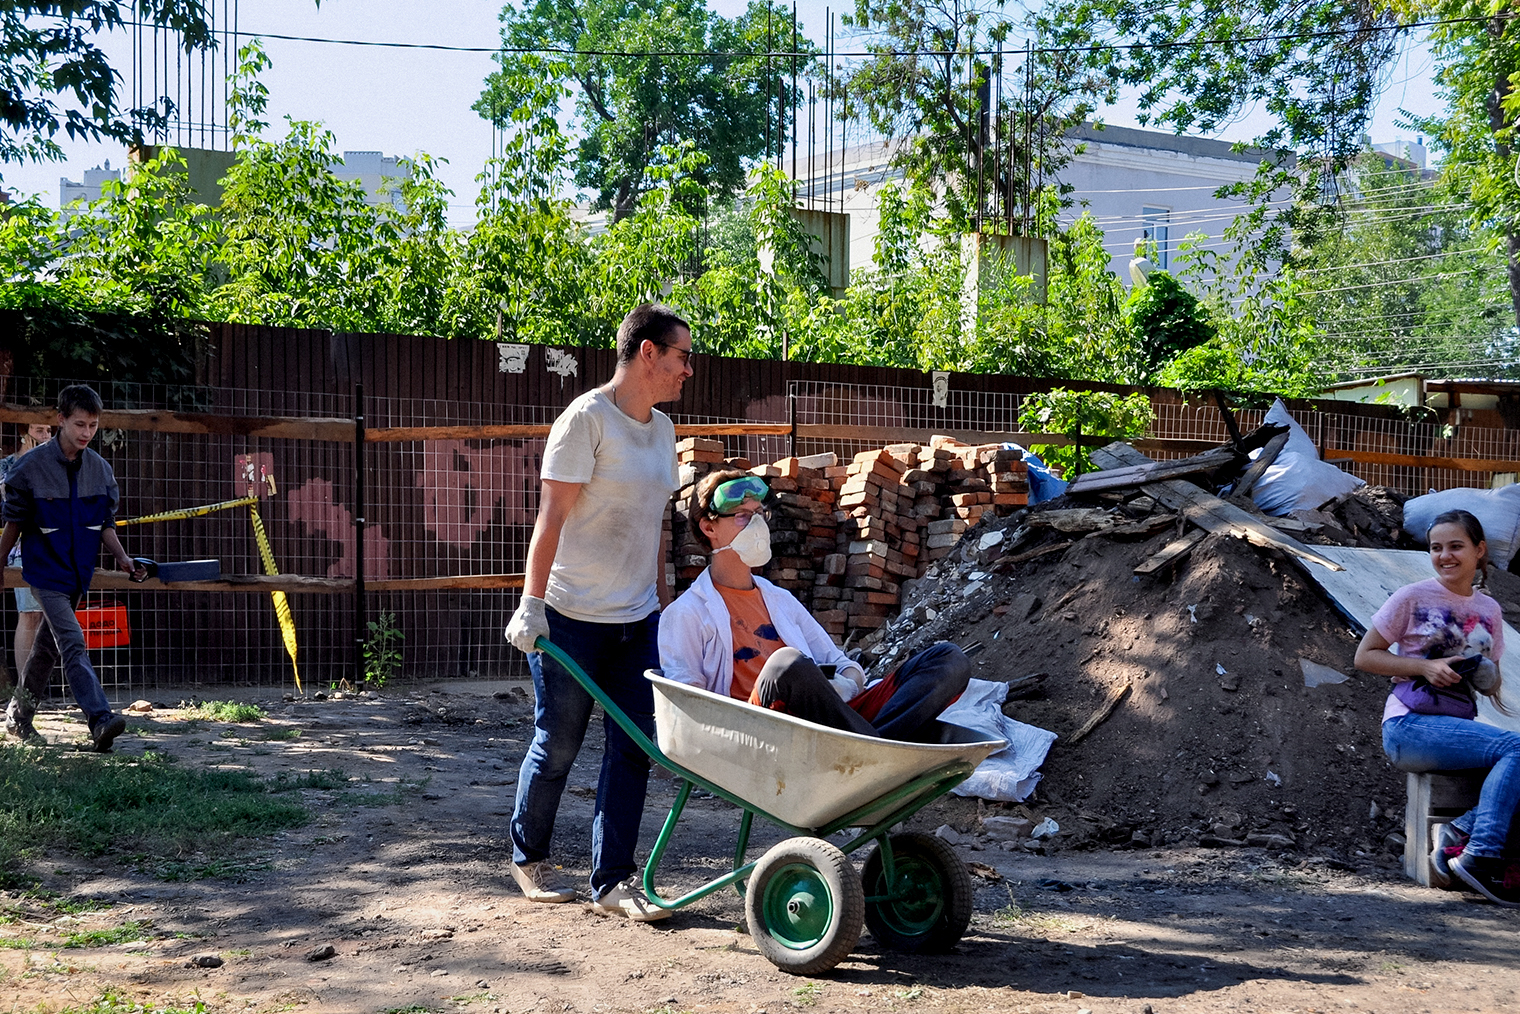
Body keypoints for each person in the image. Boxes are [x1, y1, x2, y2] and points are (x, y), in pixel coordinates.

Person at [502, 304, 693, 921]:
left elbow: (657, 528)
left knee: (634, 745)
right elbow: (550, 518)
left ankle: (613, 882)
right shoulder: (586, 419)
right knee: (558, 743)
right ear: (647, 353)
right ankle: (529, 859)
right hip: (572, 616)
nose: (688, 369)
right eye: (682, 356)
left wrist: (661, 605)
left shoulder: (662, 431)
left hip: (635, 620)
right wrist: (532, 604)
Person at [659, 470, 970, 741]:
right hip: (761, 733)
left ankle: (868, 748)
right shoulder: (686, 614)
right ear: (709, 528)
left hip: (830, 722)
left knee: (947, 660)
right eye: (742, 515)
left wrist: (845, 687)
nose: (756, 525)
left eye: (759, 514)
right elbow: (690, 707)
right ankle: (872, 748)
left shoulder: (779, 600)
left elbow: (843, 664)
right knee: (787, 665)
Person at [1355, 508, 1519, 907]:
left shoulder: (1489, 611)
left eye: (1455, 547)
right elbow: (1364, 657)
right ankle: (1479, 856)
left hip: (1455, 724)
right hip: (1409, 725)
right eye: (1436, 548)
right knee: (1515, 748)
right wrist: (1424, 667)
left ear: (1479, 551)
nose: (1445, 555)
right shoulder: (1412, 597)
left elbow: (1493, 680)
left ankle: (1459, 832)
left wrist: (1482, 675)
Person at [0, 386, 147, 749]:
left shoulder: (100, 470)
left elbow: (105, 525)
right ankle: (99, 718)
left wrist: (123, 558)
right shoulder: (29, 469)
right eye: (79, 424)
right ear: (61, 419)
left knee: (46, 649)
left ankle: (17, 718)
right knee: (72, 642)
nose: (86, 433)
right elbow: (14, 524)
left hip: (78, 573)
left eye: (93, 426)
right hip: (45, 573)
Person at [2, 423, 52, 686]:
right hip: (18, 546)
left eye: (49, 430)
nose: (46, 436)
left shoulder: (54, 461)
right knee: (29, 613)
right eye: (40, 430)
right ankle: (25, 686)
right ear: (25, 431)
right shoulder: (7, 465)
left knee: (48, 614)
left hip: (51, 545)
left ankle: (40, 684)